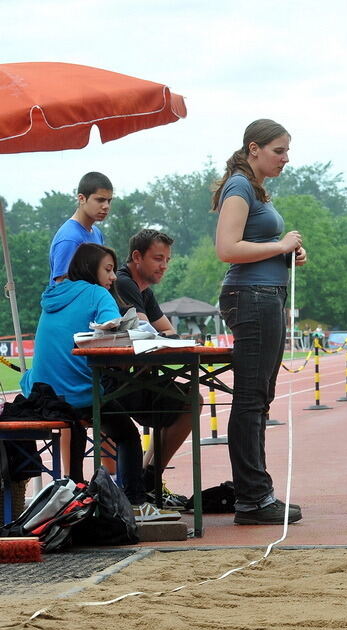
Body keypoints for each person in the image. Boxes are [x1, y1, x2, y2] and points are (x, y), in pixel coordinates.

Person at [21, 243, 179, 523]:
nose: (114, 276)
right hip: (78, 395)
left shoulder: (51, 295)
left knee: (84, 420)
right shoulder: (97, 294)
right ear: (89, 269)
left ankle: (76, 494)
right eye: (107, 269)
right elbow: (118, 332)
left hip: (40, 396)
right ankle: (135, 504)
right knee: (127, 433)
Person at [213, 118, 307, 525]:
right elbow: (227, 248)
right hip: (250, 298)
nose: (286, 158)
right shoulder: (238, 186)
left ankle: (257, 493)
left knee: (258, 400)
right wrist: (279, 245)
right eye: (279, 150)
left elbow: (256, 246)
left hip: (265, 297)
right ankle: (252, 499)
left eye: (287, 151)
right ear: (254, 149)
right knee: (251, 400)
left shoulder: (252, 190)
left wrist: (286, 254)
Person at [112, 228, 198, 507]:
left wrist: (169, 337)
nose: (164, 266)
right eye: (158, 258)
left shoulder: (143, 291)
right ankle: (148, 481)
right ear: (137, 257)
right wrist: (168, 338)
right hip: (116, 384)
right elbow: (147, 335)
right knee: (190, 402)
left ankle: (149, 479)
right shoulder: (124, 283)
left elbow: (167, 332)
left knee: (189, 400)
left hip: (138, 380)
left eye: (167, 260)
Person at [49, 172, 113, 283]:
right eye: (100, 200)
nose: (106, 206)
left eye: (109, 200)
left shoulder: (97, 232)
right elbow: (62, 287)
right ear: (81, 198)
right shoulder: (70, 238)